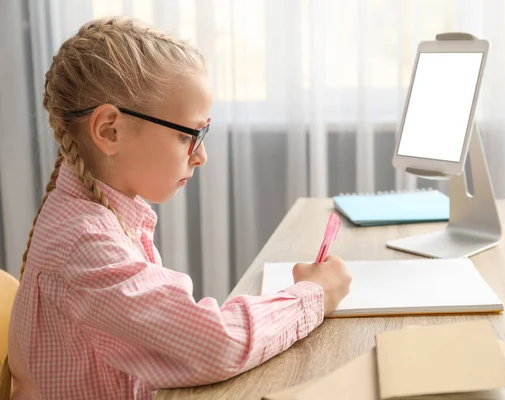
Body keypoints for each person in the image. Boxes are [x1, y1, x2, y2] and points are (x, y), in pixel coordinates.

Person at [0, 16, 351, 400]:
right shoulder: (84, 244)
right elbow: (216, 345)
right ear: (109, 131)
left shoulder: (102, 215)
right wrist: (313, 294)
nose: (201, 156)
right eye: (189, 135)